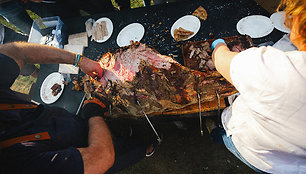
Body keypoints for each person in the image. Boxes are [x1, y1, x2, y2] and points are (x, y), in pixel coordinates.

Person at [0, 42, 157, 174]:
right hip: (88, 156)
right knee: (123, 154)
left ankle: (122, 132)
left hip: (64, 123)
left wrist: (79, 60)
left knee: (110, 129)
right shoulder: (14, 163)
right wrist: (93, 115)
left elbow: (16, 51)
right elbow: (100, 158)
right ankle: (147, 148)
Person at [207, 0, 306, 173]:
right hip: (293, 167)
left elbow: (220, 58)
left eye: (292, 14)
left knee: (227, 137)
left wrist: (219, 44)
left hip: (256, 152)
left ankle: (217, 135)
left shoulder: (272, 67)